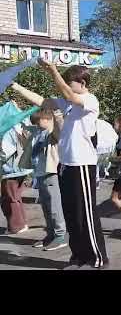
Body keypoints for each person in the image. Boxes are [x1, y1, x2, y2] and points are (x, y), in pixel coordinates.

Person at [11, 59, 108, 269]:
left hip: (82, 165)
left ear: (82, 83)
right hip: (66, 166)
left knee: (86, 215)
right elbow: (43, 102)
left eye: (69, 81)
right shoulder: (69, 105)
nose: (65, 84)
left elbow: (68, 94)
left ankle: (96, 259)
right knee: (72, 214)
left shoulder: (90, 100)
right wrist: (15, 86)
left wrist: (53, 70)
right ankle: (79, 257)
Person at [16, 104, 68, 251]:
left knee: (54, 206)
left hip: (51, 173)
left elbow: (59, 128)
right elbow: (28, 140)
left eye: (38, 122)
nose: (36, 125)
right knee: (45, 206)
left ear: (47, 119)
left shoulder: (53, 131)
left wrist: (56, 115)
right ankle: (50, 234)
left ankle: (60, 235)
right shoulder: (39, 132)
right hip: (40, 173)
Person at [0, 122, 31, 235]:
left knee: (10, 198)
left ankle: (16, 226)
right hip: (20, 169)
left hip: (11, 170)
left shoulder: (7, 131)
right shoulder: (17, 126)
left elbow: (5, 152)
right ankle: (22, 223)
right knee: (16, 197)